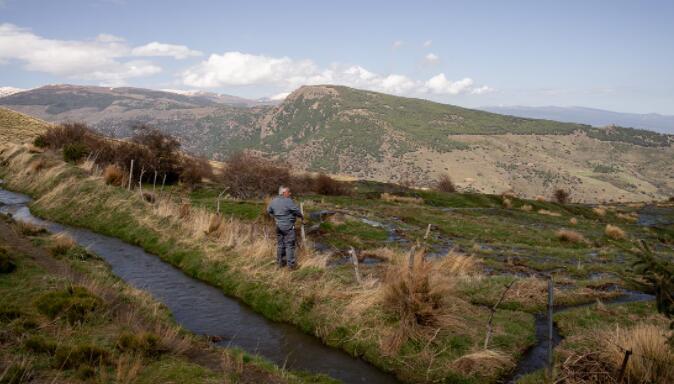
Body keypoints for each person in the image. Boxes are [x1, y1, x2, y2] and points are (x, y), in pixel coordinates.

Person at [266, 186, 303, 269]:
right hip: (288, 226)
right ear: (283, 193)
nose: (290, 193)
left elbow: (268, 210)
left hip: (278, 226)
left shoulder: (274, 200)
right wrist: (301, 216)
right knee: (289, 245)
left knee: (280, 244)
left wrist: (275, 217)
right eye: (288, 192)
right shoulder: (288, 201)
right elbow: (297, 211)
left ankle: (280, 263)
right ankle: (291, 265)